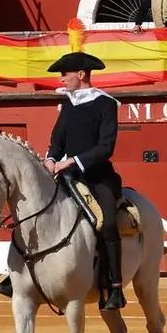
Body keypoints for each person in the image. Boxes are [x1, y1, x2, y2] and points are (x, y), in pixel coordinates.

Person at [43, 49, 126, 310]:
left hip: (98, 177)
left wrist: (72, 161)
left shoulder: (106, 104)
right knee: (35, 209)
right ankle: (19, 276)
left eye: (65, 74)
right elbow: (57, 142)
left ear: (81, 74)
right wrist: (50, 159)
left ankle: (114, 287)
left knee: (108, 223)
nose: (61, 79)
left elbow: (105, 147)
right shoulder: (68, 105)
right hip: (68, 176)